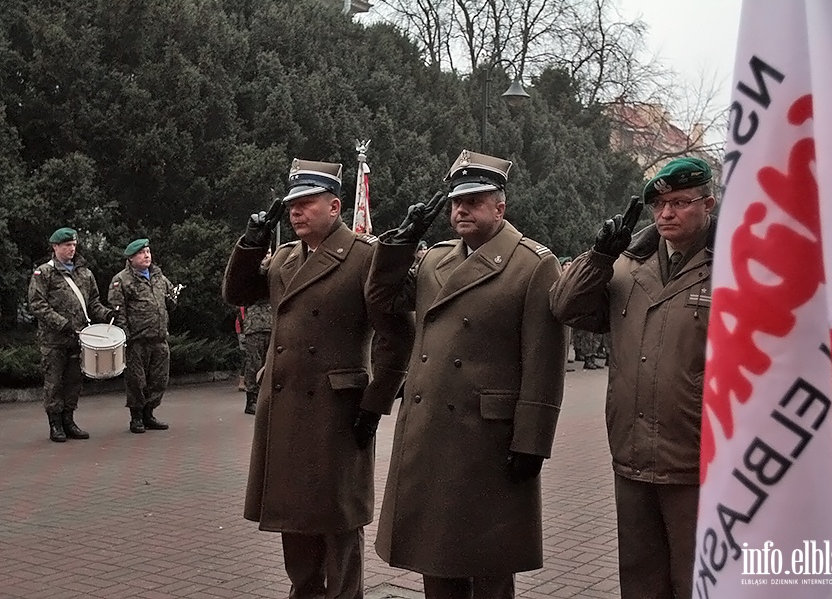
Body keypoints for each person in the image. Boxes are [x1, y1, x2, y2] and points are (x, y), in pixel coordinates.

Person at [367, 149, 567, 599]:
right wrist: (399, 244)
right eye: (458, 201)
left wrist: (533, 441)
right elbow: (381, 298)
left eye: (475, 200)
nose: (462, 209)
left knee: (488, 560)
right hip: (431, 429)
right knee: (433, 556)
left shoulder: (533, 265)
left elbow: (545, 362)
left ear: (500, 206)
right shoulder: (435, 259)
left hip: (488, 440)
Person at [221, 158, 413, 599]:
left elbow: (398, 337)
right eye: (292, 205)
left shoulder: (365, 257)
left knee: (338, 522)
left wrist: (375, 404)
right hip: (286, 407)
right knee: (296, 518)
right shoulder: (286, 258)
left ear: (335, 206)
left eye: (307, 203)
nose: (296, 212)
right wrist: (250, 244)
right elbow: (237, 292)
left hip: (338, 411)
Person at [549, 156, 717, 599]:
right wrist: (599, 257)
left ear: (709, 204)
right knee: (640, 581)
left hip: (699, 456)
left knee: (698, 581)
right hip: (632, 449)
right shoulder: (628, 265)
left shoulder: (733, 267)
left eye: (680, 202)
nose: (666, 213)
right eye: (659, 204)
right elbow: (566, 307)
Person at [27, 227, 114, 442]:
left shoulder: (84, 273)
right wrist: (62, 323)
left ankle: (69, 420)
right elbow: (37, 304)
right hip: (54, 340)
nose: (71, 249)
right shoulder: (44, 273)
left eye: (74, 245)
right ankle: (55, 424)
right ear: (55, 247)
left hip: (79, 338)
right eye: (67, 245)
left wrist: (107, 314)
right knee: (54, 382)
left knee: (74, 381)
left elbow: (93, 303)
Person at [108, 239, 179, 433]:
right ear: (131, 258)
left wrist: (173, 299)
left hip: (159, 337)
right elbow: (118, 311)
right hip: (136, 340)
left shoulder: (158, 276)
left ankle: (149, 413)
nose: (147, 255)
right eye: (141, 253)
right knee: (137, 381)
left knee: (159, 379)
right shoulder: (121, 280)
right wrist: (125, 336)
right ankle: (136, 417)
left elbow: (169, 301)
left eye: (148, 251)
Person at [241, 297, 272, 415]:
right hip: (254, 327)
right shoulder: (252, 282)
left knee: (269, 364)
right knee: (254, 364)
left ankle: (265, 398)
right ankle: (251, 401)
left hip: (271, 324)